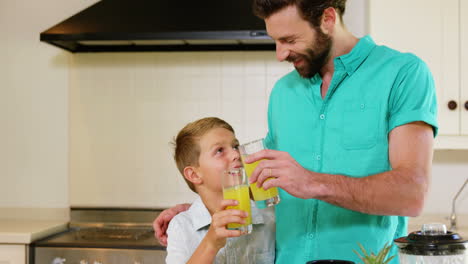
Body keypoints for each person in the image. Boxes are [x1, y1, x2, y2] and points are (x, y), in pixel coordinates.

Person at [154, 0, 438, 263]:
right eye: (275, 41)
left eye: (289, 40)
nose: (280, 54)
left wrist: (314, 182)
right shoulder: (284, 93)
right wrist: (197, 211)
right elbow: (261, 182)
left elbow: (412, 193)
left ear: (327, 18)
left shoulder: (402, 74)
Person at [164, 117, 275, 264]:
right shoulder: (181, 227)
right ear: (194, 175)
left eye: (235, 146)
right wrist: (211, 243)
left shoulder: (268, 214)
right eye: (219, 151)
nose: (236, 154)